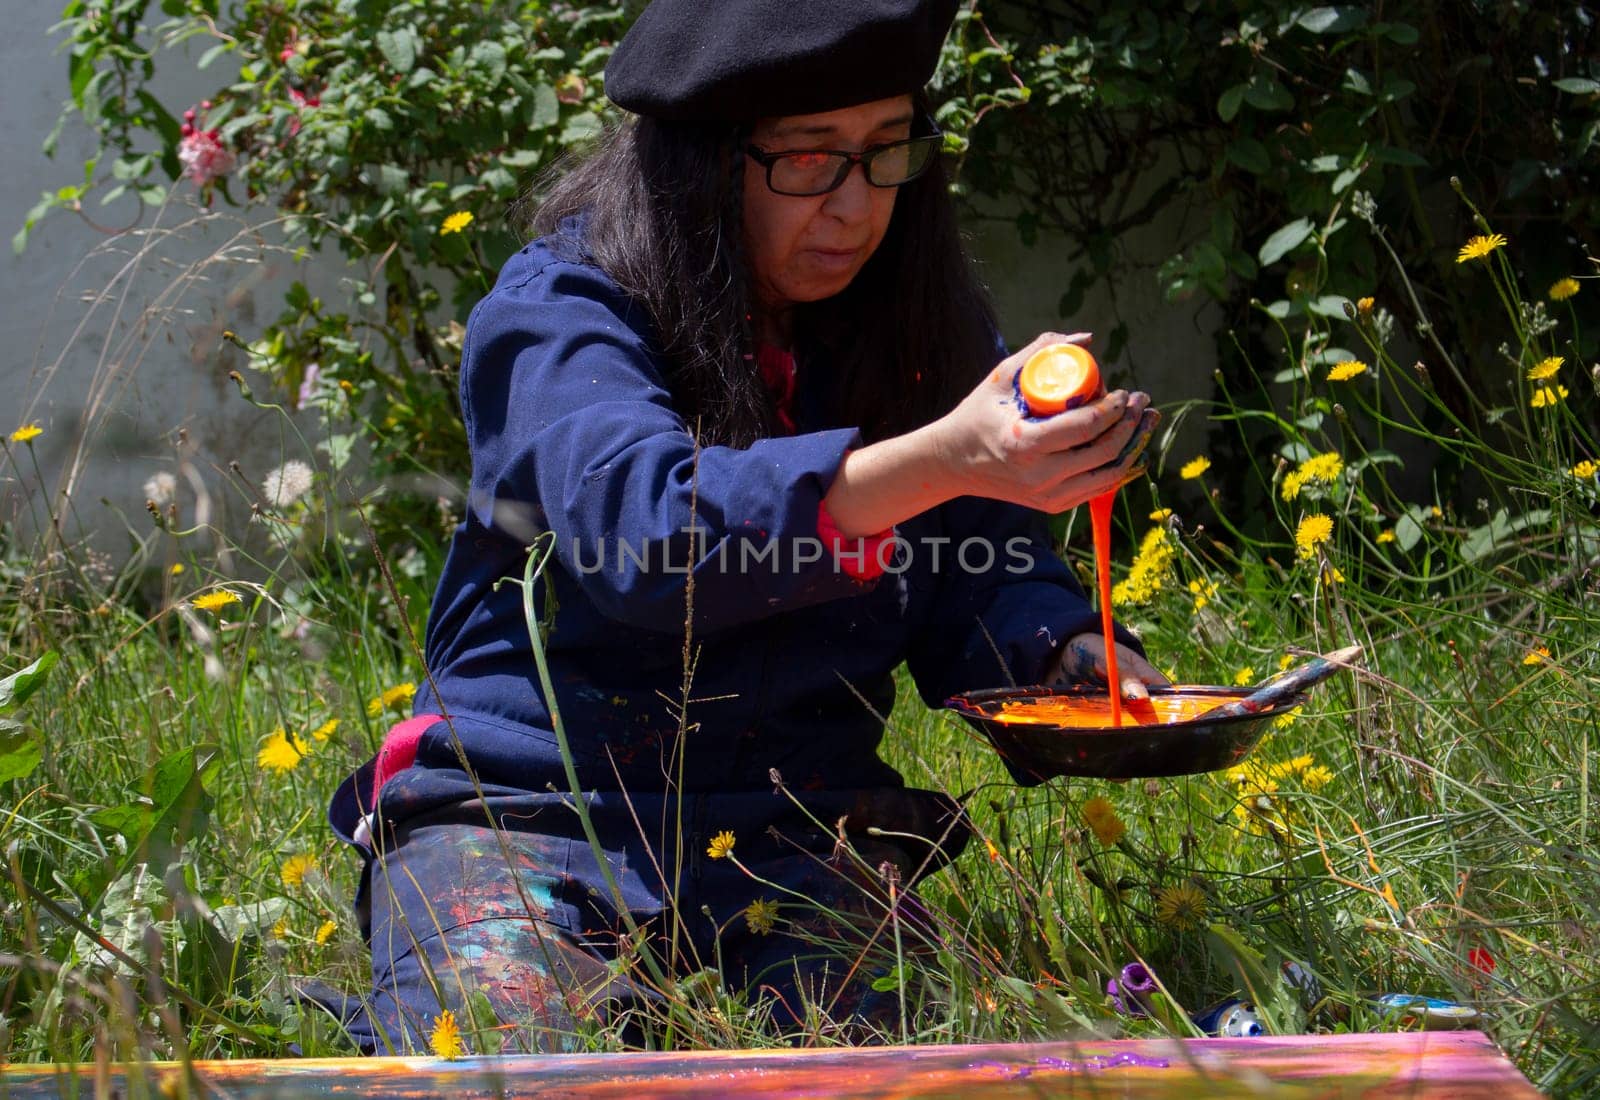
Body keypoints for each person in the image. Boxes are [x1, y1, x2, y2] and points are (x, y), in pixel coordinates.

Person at [324, 0, 1166, 1055]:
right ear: (704, 163)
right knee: (512, 1056)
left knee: (897, 1063)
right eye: (812, 162)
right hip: (527, 810)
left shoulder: (915, 325)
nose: (856, 207)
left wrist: (1067, 650)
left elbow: (980, 570)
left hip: (795, 828)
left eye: (886, 151)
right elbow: (648, 536)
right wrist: (943, 455)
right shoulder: (560, 312)